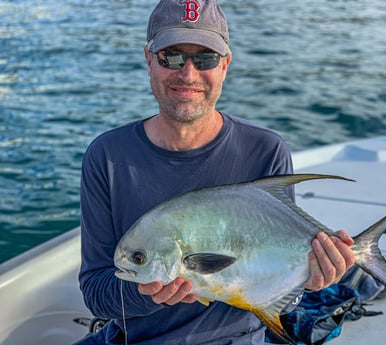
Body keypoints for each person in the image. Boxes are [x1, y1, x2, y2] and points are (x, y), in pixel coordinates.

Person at [77, 0, 355, 344]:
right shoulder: (107, 156)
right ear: (149, 61)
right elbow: (96, 293)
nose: (188, 74)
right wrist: (146, 293)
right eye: (172, 57)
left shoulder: (265, 151)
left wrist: (309, 280)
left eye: (205, 58)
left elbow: (278, 299)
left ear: (225, 65)